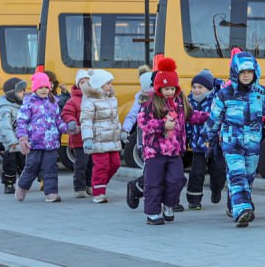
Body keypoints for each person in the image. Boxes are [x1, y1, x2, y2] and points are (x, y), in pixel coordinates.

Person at [212, 48, 265, 227]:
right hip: (232, 142)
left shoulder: (260, 92)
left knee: (247, 177)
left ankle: (235, 205)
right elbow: (214, 118)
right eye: (242, 72)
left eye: (249, 72)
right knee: (237, 174)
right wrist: (207, 139)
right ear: (235, 73)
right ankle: (242, 210)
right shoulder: (224, 94)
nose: (246, 76)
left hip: (252, 143)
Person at [137, 58, 203, 225]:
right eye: (166, 89)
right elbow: (143, 122)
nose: (169, 92)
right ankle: (152, 214)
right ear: (159, 88)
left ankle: (168, 205)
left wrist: (211, 117)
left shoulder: (180, 103)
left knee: (176, 179)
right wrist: (162, 125)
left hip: (175, 151)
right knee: (153, 183)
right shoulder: (150, 104)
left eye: (172, 88)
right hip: (155, 152)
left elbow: (191, 116)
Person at [14, 72, 69, 203]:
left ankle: (51, 193)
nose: (44, 89)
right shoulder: (29, 103)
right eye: (40, 87)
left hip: (51, 143)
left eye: (46, 87)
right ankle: (22, 186)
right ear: (35, 89)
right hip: (35, 143)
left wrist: (67, 128)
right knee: (32, 167)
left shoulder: (53, 102)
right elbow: (21, 122)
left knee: (50, 168)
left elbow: (58, 119)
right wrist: (23, 138)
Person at [81, 69, 124, 203]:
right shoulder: (90, 101)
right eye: (108, 83)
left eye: (111, 83)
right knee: (101, 166)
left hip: (112, 139)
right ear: (99, 85)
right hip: (98, 139)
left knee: (115, 164)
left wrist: (121, 132)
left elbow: (115, 119)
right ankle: (99, 192)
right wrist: (87, 138)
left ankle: (100, 183)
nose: (110, 86)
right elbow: (86, 121)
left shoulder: (112, 99)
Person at [185, 69, 225, 210]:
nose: (196, 90)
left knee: (218, 171)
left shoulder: (217, 100)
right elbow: (187, 122)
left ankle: (216, 189)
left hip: (215, 144)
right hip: (198, 144)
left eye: (200, 87)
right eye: (194, 87)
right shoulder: (189, 101)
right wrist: (186, 138)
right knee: (197, 172)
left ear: (208, 88)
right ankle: (194, 199)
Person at [123, 69, 154, 211]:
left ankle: (166, 200)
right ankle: (138, 189)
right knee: (151, 171)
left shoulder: (163, 98)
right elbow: (131, 116)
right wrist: (125, 130)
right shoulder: (140, 99)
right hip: (146, 143)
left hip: (165, 143)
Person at [60, 70, 92, 198]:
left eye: (88, 81)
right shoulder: (73, 100)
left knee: (93, 164)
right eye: (82, 82)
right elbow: (66, 113)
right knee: (81, 163)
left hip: (94, 138)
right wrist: (72, 122)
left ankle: (90, 186)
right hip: (79, 139)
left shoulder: (94, 98)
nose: (85, 84)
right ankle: (79, 187)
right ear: (78, 84)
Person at [0, 78, 27, 194]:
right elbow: (4, 126)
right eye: (21, 91)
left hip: (19, 142)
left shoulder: (22, 105)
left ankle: (23, 183)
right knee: (10, 163)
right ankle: (8, 184)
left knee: (23, 162)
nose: (24, 92)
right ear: (12, 94)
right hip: (8, 143)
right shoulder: (5, 108)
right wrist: (12, 141)